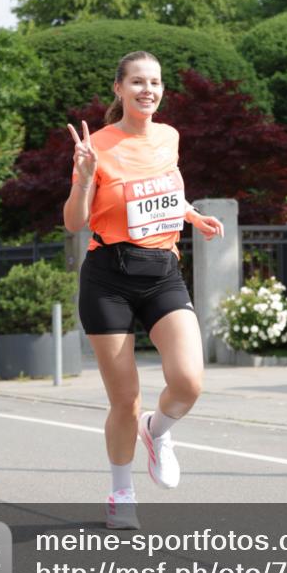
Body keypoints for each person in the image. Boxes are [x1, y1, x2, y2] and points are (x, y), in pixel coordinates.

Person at [64, 51, 224, 529]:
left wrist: (191, 215)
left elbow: (164, 191)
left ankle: (157, 430)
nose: (147, 90)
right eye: (137, 81)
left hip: (162, 272)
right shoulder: (97, 146)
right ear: (119, 88)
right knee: (125, 398)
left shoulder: (169, 136)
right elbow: (74, 221)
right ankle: (121, 492)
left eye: (154, 82)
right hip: (108, 278)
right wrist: (84, 179)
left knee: (189, 381)